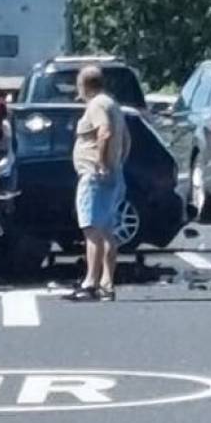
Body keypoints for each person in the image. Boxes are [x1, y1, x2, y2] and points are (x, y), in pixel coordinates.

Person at [64, 65, 130, 302]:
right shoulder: (113, 105)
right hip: (113, 174)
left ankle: (90, 282)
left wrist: (101, 162)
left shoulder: (97, 105)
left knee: (92, 230)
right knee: (107, 230)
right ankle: (107, 284)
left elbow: (105, 131)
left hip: (95, 175)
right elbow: (126, 140)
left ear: (84, 85)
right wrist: (117, 162)